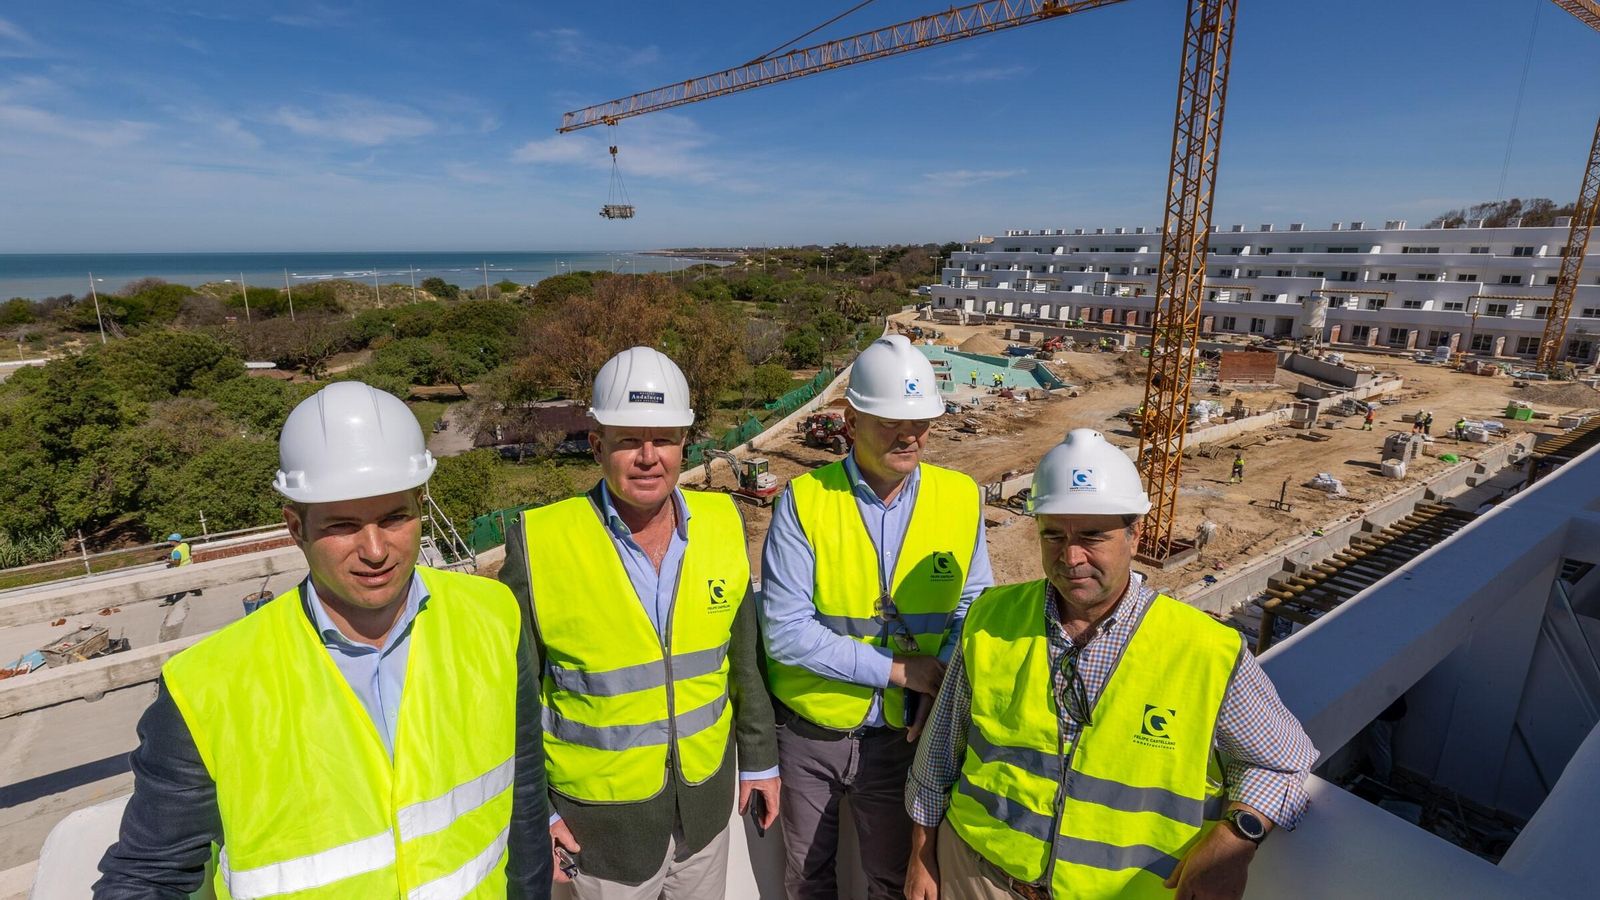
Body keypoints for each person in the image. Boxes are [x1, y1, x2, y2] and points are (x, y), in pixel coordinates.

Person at [97, 382, 550, 898]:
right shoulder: (207, 686)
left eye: (394, 517)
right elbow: (149, 874)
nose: (375, 550)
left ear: (420, 507)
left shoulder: (492, 616)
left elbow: (524, 797)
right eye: (343, 525)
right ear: (296, 528)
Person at [904, 429, 1316, 900]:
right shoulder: (991, 618)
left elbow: (1284, 764)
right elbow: (940, 753)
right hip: (976, 874)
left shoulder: (1205, 650)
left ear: (1134, 534)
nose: (1071, 557)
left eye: (1092, 536)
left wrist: (1234, 842)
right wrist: (921, 856)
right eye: (1053, 535)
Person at [502, 347, 779, 900]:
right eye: (629, 440)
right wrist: (535, 813)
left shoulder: (723, 523)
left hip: (704, 814)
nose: (649, 457)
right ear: (597, 445)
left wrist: (759, 761)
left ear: (684, 444)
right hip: (598, 833)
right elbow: (514, 697)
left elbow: (744, 662)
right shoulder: (540, 542)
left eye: (664, 439)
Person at [761, 333, 994, 900]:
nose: (909, 435)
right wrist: (900, 672)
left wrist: (938, 679)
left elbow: (973, 607)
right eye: (891, 421)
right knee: (807, 879)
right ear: (852, 419)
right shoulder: (805, 500)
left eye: (921, 422)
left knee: (893, 881)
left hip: (903, 737)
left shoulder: (961, 497)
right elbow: (785, 632)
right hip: (810, 733)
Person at [161, 534, 195, 606]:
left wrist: (168, 561)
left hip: (180, 569)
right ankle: (196, 591)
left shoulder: (176, 551)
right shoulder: (185, 545)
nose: (169, 542)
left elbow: (177, 563)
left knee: (170, 584)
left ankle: (169, 600)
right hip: (188, 565)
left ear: (175, 541)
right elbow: (184, 554)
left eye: (170, 540)